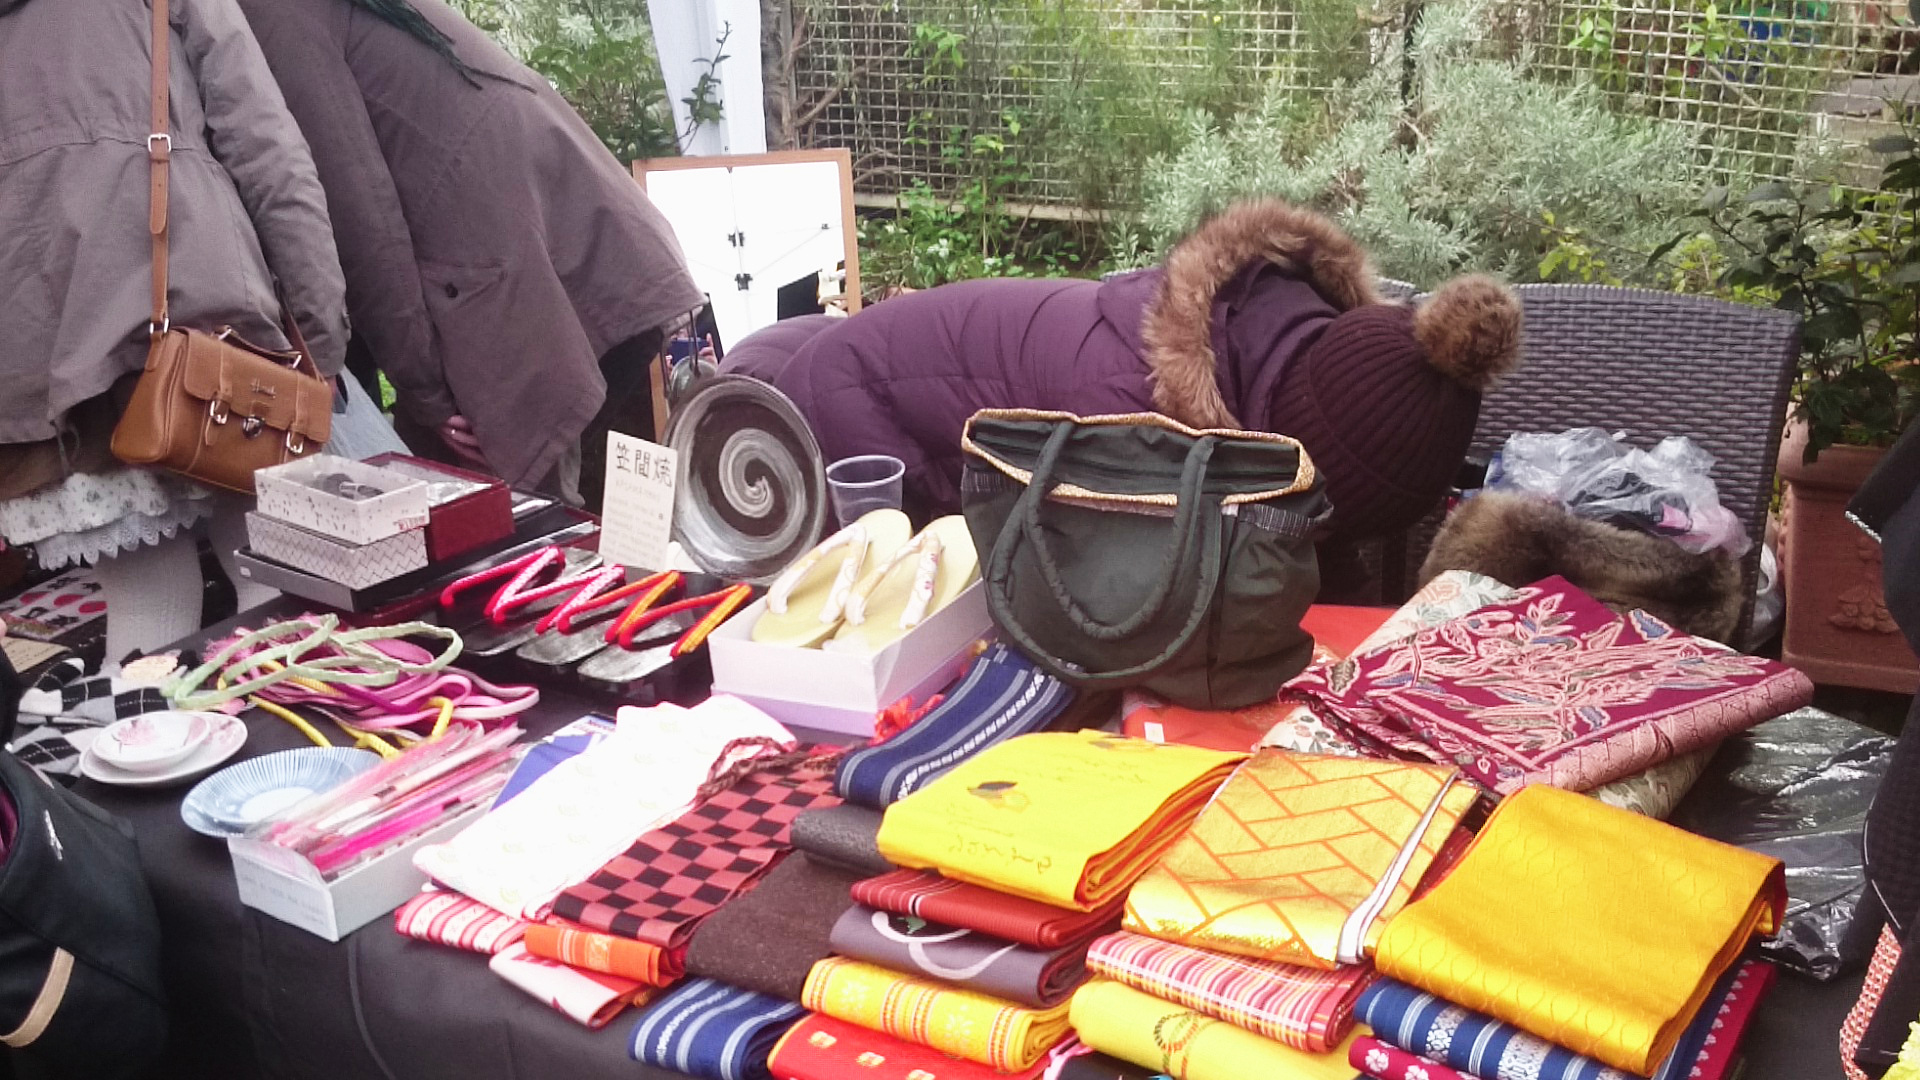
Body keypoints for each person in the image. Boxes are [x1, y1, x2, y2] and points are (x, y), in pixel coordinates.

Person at [722, 199, 1525, 599]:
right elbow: (1067, 586)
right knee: (911, 609)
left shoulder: (1270, 341)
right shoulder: (1125, 421)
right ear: (1296, 447)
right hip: (838, 412)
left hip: (895, 367)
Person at [0, 0, 388, 663]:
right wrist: (320, 339)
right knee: (272, 582)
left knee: (147, 605)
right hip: (210, 338)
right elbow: (269, 155)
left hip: (38, 374)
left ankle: (156, 731)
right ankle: (283, 730)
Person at [231, 0, 705, 507]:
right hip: (573, 237)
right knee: (533, 516)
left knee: (503, 524)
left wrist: (427, 393)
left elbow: (361, 220)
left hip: (506, 265)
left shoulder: (273, 11)